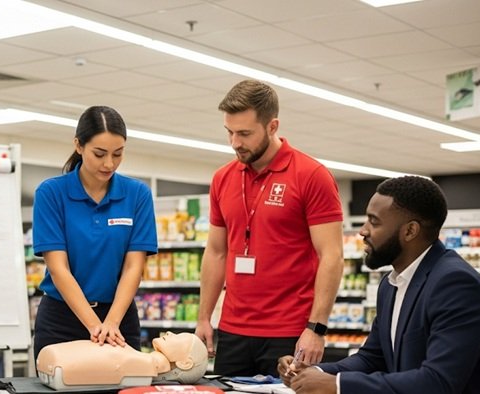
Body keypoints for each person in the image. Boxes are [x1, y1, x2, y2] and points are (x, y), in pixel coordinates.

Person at [278, 176, 480, 394]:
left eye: (374, 222)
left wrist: (337, 386)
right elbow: (373, 358)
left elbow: (438, 382)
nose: (363, 231)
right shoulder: (390, 284)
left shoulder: (455, 284)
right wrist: (313, 372)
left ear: (410, 231)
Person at [196, 80, 344, 377]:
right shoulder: (223, 178)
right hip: (233, 330)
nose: (235, 142)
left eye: (245, 133)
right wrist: (203, 318)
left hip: (289, 331)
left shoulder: (311, 175)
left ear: (272, 126)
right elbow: (216, 252)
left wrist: (316, 328)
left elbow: (332, 256)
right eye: (230, 132)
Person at [32, 105, 158, 358]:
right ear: (79, 145)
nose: (109, 163)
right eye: (99, 154)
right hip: (62, 319)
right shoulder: (51, 193)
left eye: (118, 154)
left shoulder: (137, 194)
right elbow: (59, 268)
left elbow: (134, 267)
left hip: (119, 317)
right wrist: (94, 326)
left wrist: (111, 323)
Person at [36, 332, 208, 389]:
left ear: (185, 363)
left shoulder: (139, 363)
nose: (170, 333)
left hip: (58, 363)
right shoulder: (136, 358)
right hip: (57, 361)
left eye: (179, 336)